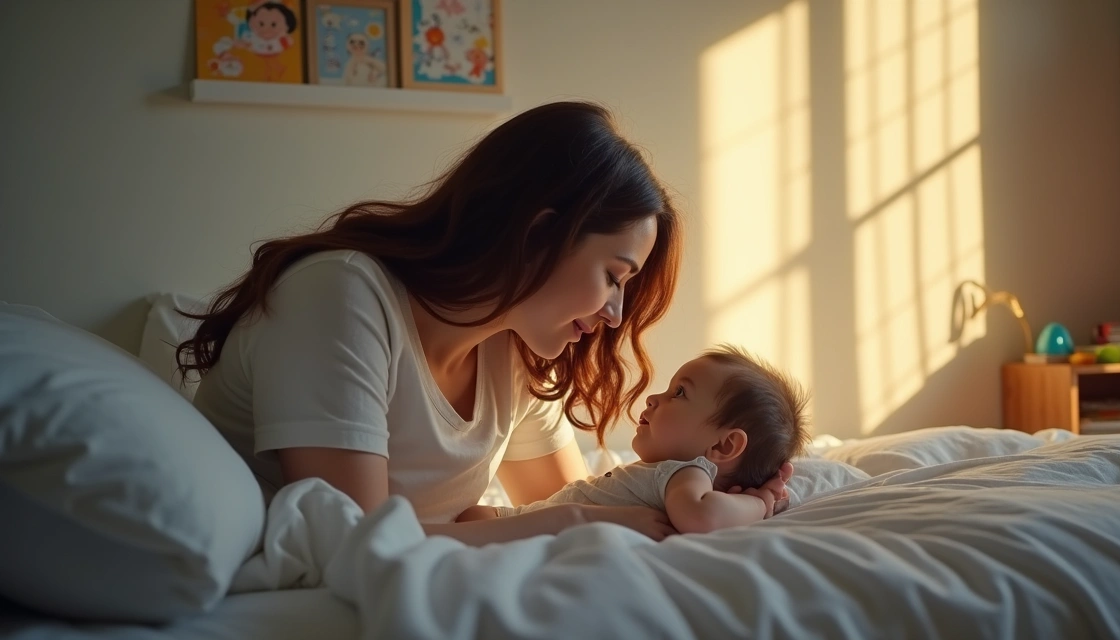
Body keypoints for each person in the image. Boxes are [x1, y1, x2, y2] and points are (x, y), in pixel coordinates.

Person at [178, 101, 790, 545]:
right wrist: (575, 522)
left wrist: (733, 494)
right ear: (538, 235)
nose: (614, 314)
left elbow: (590, 501)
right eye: (613, 275)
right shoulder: (340, 294)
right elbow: (353, 542)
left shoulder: (514, 349)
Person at [457, 345, 810, 533]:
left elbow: (701, 516)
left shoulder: (688, 472)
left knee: (469, 522)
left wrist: (760, 503)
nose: (654, 398)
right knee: (470, 518)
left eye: (679, 393)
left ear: (723, 446)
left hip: (536, 528)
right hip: (537, 517)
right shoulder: (674, 474)